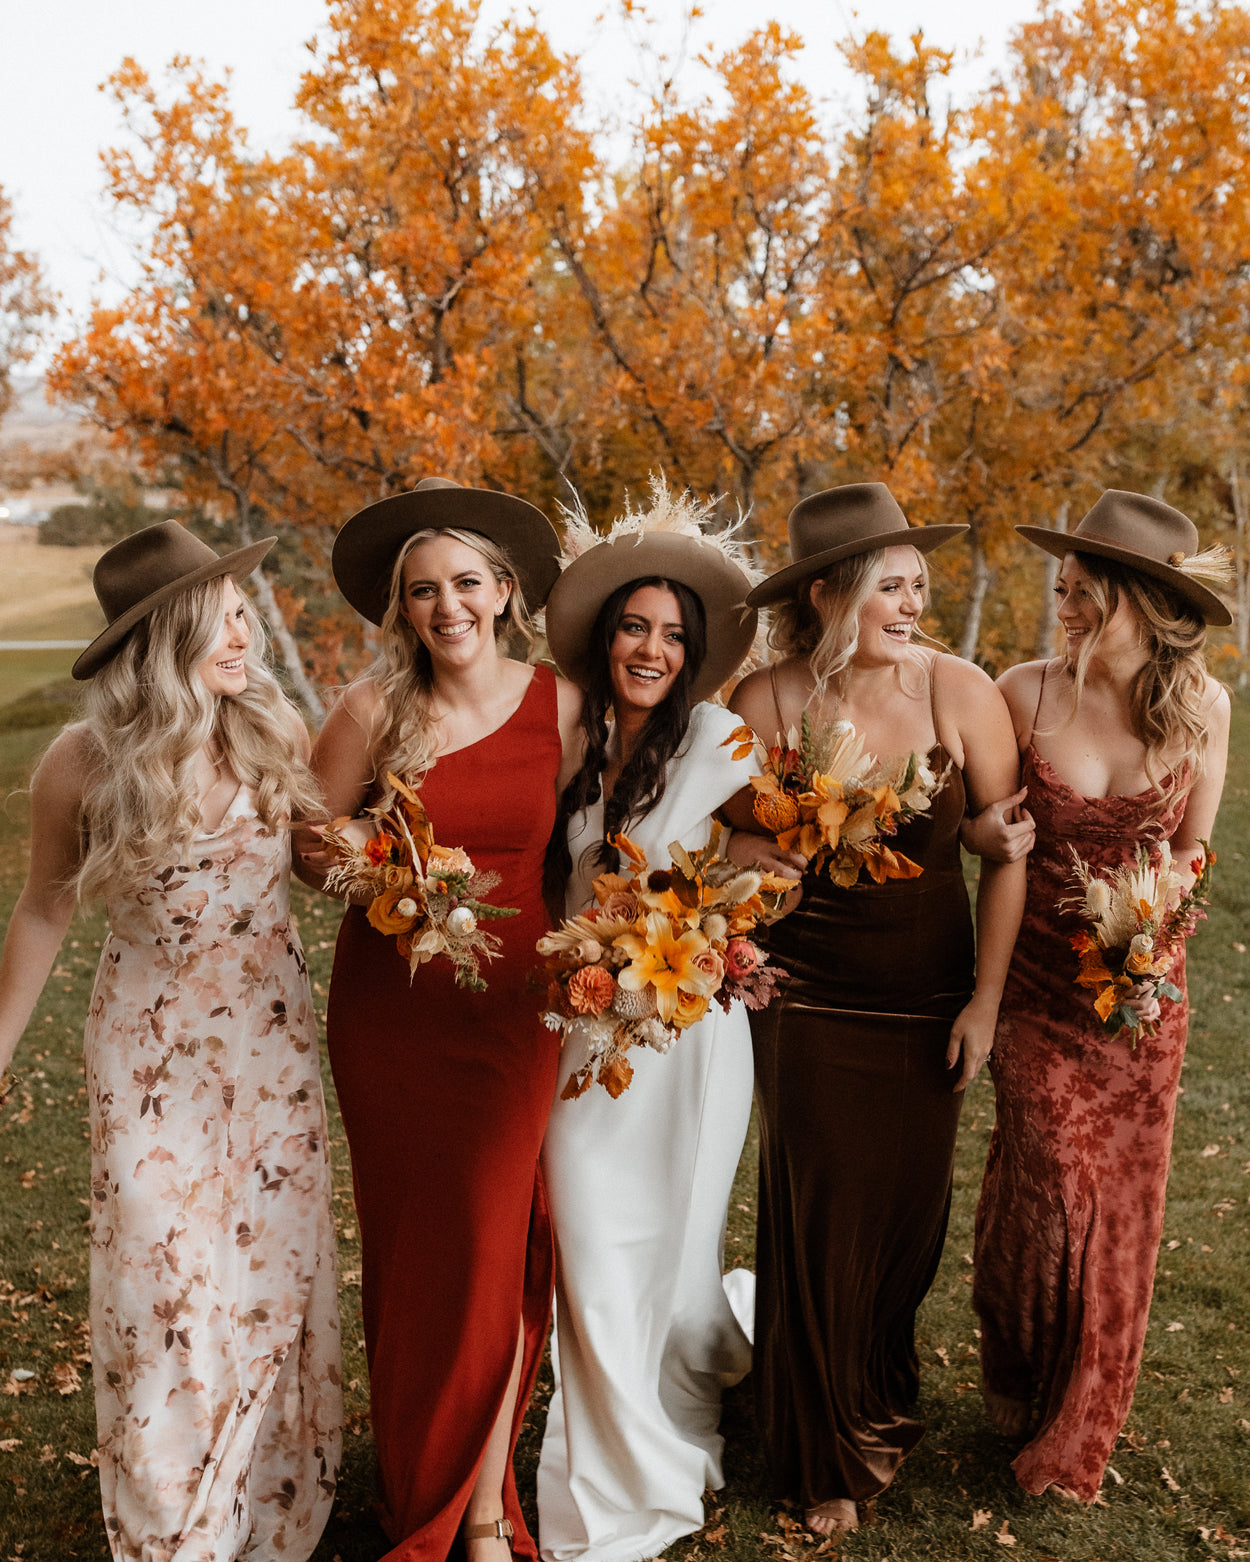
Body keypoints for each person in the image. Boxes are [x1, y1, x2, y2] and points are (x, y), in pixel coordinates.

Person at [0, 521, 342, 1561]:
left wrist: (412, 875)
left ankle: (265, 1489)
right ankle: (172, 1520)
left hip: (269, 1042)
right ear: (164, 639)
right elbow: (43, 911)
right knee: (166, 1285)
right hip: (149, 1055)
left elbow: (320, 865)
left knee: (270, 1271)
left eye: (245, 614)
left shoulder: (265, 730)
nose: (242, 636)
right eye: (221, 621)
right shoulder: (83, 762)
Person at [725, 482, 1027, 1535]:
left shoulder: (959, 690)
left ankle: (872, 1393)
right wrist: (757, 863)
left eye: (916, 583)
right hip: (804, 997)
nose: (909, 602)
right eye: (886, 585)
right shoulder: (763, 701)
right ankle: (821, 1451)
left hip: (928, 994)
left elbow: (1005, 851)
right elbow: (721, 844)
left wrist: (984, 1002)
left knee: (903, 1221)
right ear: (824, 593)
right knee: (816, 1215)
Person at [299, 477, 582, 1562]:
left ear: (505, 591)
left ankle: (472, 1505)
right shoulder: (374, 710)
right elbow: (309, 847)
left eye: (466, 582)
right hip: (396, 1014)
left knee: (498, 1243)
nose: (446, 605)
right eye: (423, 591)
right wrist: (372, 865)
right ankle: (454, 1500)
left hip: (517, 1006)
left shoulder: (562, 700)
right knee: (423, 1253)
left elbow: (592, 835)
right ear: (401, 609)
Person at [970, 490, 1232, 1501]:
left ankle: (1075, 1414)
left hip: (1137, 996)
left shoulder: (1199, 707)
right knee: (1044, 1182)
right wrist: (983, 841)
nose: (1064, 587)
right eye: (1065, 570)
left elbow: (1193, 852)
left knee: (1115, 1207)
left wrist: (1154, 941)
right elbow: (979, 830)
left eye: (1087, 576)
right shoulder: (1018, 690)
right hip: (1034, 982)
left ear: (1139, 596)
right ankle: (1015, 1352)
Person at [534, 486, 761, 1562]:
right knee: (587, 1233)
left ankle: (666, 1423)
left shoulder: (719, 738)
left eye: (673, 634)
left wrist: (732, 923)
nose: (652, 648)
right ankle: (608, 1463)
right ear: (603, 634)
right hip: (580, 1037)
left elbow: (785, 861)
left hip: (684, 1035)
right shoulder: (567, 731)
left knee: (669, 1256)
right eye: (634, 625)